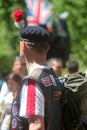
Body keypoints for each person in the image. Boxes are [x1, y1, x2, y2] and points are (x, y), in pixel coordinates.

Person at [11, 26, 62, 130]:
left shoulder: (32, 82)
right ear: (48, 47)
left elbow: (36, 126)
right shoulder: (52, 76)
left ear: (23, 46)